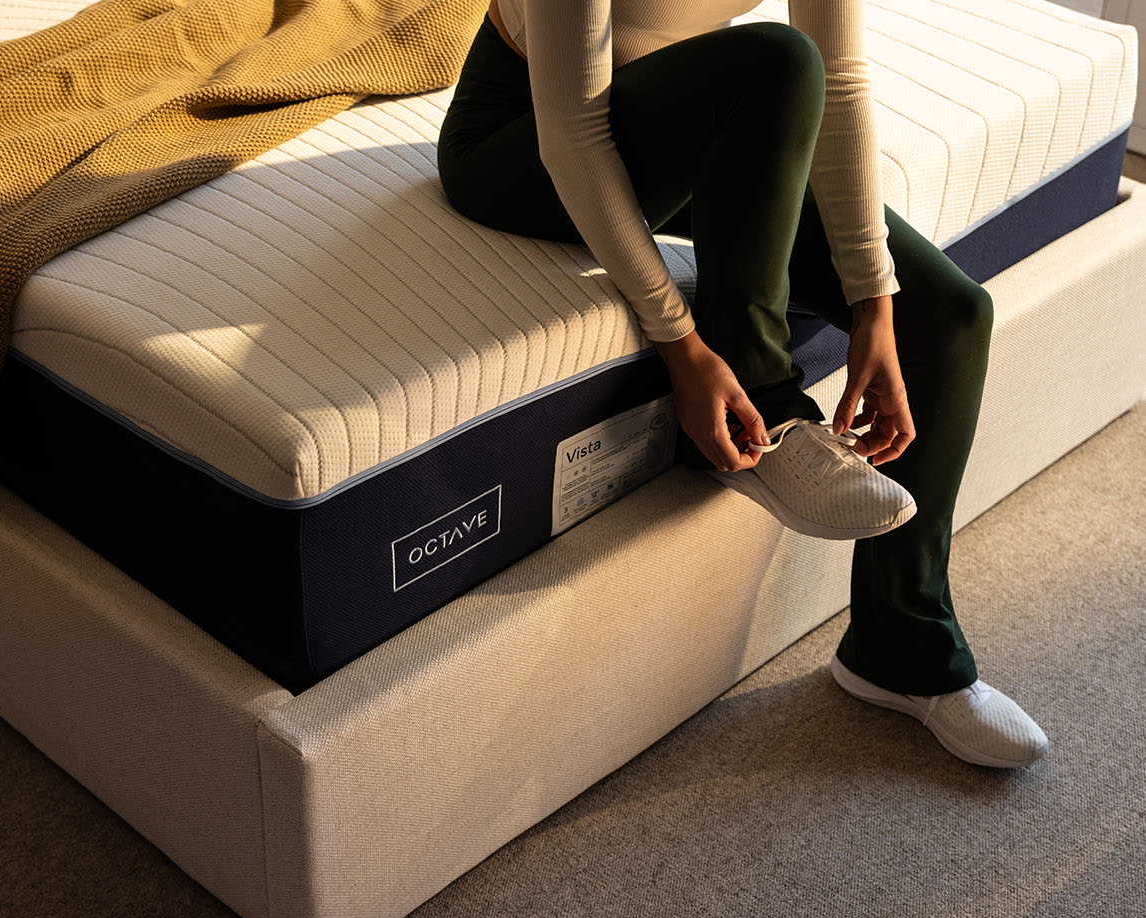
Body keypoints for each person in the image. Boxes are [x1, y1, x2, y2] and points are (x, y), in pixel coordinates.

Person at [436, 0, 1048, 767]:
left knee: (949, 314)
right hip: (522, 142)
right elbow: (573, 133)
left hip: (682, 127)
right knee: (778, 60)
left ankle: (903, 649)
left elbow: (846, 82)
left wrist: (873, 300)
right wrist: (683, 346)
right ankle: (769, 401)